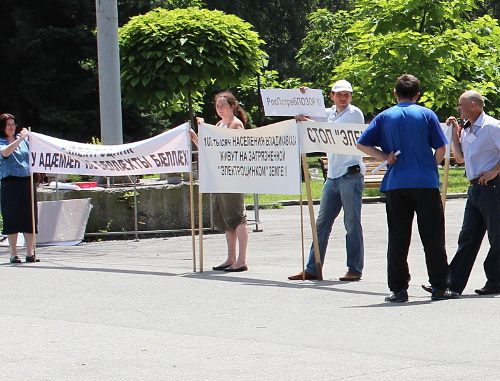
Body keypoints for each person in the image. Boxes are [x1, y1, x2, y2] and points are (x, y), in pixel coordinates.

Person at [356, 74, 456, 302]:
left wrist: (384, 155)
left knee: (398, 237)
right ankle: (440, 286)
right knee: (432, 236)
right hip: (425, 181)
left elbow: (362, 143)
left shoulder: (384, 116)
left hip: (396, 183)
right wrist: (432, 164)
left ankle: (398, 289)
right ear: (418, 95)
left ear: (395, 93)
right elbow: (441, 147)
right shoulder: (426, 114)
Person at [423, 90, 499, 295]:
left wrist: (495, 170)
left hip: (494, 186)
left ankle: (495, 280)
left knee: (497, 236)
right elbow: (460, 158)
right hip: (475, 188)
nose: (458, 109)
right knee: (467, 238)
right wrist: (455, 134)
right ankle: (451, 284)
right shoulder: (466, 129)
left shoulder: (492, 126)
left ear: (473, 105)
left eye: (460, 105)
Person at [288, 79, 365, 281]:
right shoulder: (328, 112)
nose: (343, 97)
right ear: (332, 96)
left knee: (352, 224)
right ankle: (313, 267)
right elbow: (308, 113)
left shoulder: (354, 113)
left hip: (351, 174)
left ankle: (355, 268)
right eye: (339, 94)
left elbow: (330, 131)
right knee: (321, 224)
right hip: (333, 176)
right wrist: (304, 95)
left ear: (351, 96)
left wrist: (307, 121)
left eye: (347, 94)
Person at [191, 91, 249, 272]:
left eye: (223, 105)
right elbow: (210, 148)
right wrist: (195, 136)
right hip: (219, 175)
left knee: (236, 216)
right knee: (225, 218)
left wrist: (207, 128)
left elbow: (228, 145)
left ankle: (241, 259)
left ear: (232, 106)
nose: (219, 109)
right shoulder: (219, 124)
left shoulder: (235, 125)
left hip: (232, 175)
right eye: (217, 105)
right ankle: (231, 257)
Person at [0, 113, 39, 263]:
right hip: (10, 183)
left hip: (26, 181)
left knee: (29, 217)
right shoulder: (2, 141)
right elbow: (5, 152)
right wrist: (20, 139)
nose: (11, 128)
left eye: (13, 124)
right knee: (12, 217)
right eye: (8, 125)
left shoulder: (24, 142)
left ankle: (30, 252)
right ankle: (13, 253)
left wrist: (28, 138)